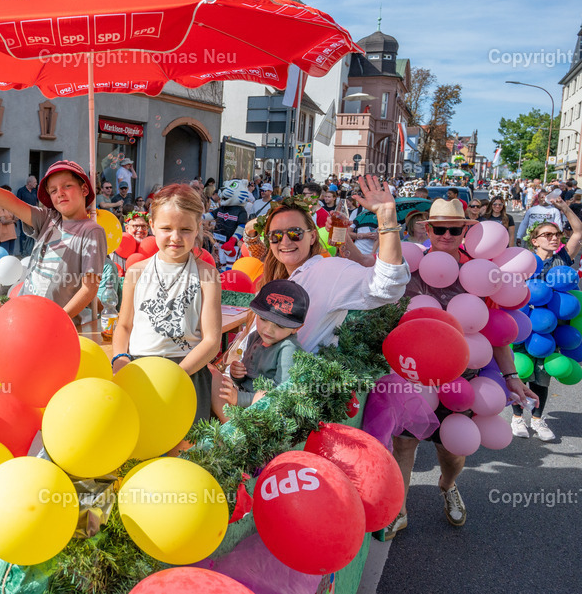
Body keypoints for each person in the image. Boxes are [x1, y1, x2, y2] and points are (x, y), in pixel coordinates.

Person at [390, 198, 537, 538]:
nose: (445, 234)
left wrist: (512, 377)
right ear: (428, 230)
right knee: (404, 444)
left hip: (461, 376)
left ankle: (448, 485)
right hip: (414, 374)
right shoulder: (410, 268)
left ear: (464, 232)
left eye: (453, 229)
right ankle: (398, 509)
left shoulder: (481, 273)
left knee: (452, 451)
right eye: (438, 228)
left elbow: (497, 332)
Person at [244, 175, 409, 352]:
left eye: (295, 233)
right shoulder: (278, 277)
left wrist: (386, 218)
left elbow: (387, 285)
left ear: (312, 236)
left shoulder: (329, 270)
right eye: (276, 235)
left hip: (291, 377)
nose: (284, 242)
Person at [112, 184, 222, 427]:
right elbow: (124, 325)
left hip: (187, 371)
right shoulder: (136, 272)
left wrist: (177, 376)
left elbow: (212, 340)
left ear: (197, 229)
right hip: (140, 371)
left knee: (186, 451)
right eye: (166, 228)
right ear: (152, 225)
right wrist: (120, 359)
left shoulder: (207, 275)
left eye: (185, 229)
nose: (175, 237)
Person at [0, 160, 105, 320]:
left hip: (55, 325)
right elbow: (12, 202)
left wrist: (58, 319)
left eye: (67, 186)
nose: (60, 193)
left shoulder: (91, 231)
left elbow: (89, 288)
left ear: (84, 189)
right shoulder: (48, 218)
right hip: (25, 313)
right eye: (53, 190)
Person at [510, 201, 582, 441]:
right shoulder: (524, 261)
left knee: (542, 375)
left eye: (557, 235)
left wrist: (565, 209)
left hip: (551, 330)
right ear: (535, 240)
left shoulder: (562, 259)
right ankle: (518, 418)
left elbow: (579, 231)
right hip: (524, 327)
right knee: (520, 371)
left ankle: (539, 420)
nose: (554, 239)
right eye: (547, 235)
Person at [216, 279, 308, 414]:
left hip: (263, 412)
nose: (268, 330)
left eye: (280, 325)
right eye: (263, 319)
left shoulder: (288, 348)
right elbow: (248, 378)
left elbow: (281, 393)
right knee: (211, 374)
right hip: (242, 398)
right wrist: (238, 375)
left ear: (296, 328)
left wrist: (240, 398)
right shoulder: (255, 337)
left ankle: (230, 432)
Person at [16, 175, 38, 255]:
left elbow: (37, 203)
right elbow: (17, 203)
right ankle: (23, 252)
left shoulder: (35, 191)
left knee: (32, 233)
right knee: (23, 233)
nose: (36, 184)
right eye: (35, 182)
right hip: (23, 215)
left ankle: (30, 251)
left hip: (33, 216)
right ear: (29, 183)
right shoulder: (21, 191)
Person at [0, 186, 17, 254]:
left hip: (12, 234)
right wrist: (12, 221)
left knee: (10, 255)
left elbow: (16, 217)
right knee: (4, 255)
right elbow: (3, 221)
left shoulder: (10, 205)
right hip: (4, 235)